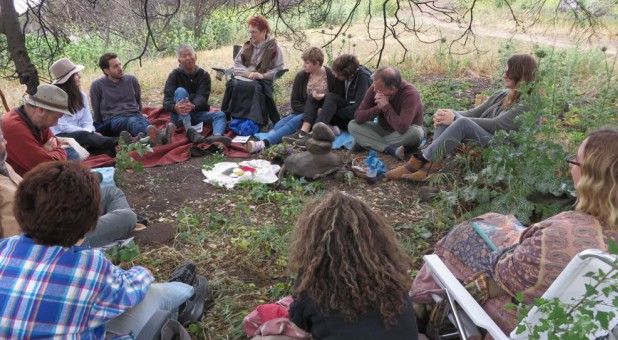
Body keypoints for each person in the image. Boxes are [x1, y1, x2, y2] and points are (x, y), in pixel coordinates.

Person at [411, 128, 618, 335]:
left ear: (593, 176)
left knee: (464, 235)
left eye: (575, 161)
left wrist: (516, 238)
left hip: (522, 323)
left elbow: (501, 272)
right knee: (496, 221)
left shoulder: (564, 235)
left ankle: (417, 310)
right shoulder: (596, 237)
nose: (570, 167)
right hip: (578, 328)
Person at [0, 161, 207, 338]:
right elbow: (131, 290)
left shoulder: (5, 248)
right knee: (153, 294)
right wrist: (143, 273)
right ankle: (185, 295)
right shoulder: (88, 265)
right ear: (90, 224)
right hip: (114, 302)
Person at [1, 85, 138, 247]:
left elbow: (60, 153)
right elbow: (44, 164)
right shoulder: (12, 127)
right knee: (127, 218)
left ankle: (104, 225)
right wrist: (47, 154)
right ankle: (94, 233)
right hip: (50, 230)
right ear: (41, 111)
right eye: (57, 117)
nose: (57, 123)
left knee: (111, 192)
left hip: (49, 203)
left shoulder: (32, 126)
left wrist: (47, 154)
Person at [288, 191, 419, 339]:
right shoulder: (394, 280)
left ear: (315, 240)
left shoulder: (313, 288)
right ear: (375, 235)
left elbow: (298, 324)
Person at [387, 54, 538, 181]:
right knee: (449, 114)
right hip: (486, 137)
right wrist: (449, 113)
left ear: (521, 74)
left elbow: (495, 125)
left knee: (461, 122)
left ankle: (419, 160)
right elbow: (473, 113)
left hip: (504, 149)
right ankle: (432, 166)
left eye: (508, 72)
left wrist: (455, 118)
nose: (503, 75)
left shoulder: (528, 103)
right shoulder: (503, 94)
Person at [247, 47, 342, 153]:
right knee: (278, 126)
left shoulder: (331, 77)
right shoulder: (301, 76)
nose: (303, 66)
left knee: (292, 124)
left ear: (317, 63)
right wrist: (311, 110)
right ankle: (327, 130)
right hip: (304, 112)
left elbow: (335, 100)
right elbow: (295, 103)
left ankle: (263, 143)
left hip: (322, 114)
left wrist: (318, 110)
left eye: (307, 63)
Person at [283, 54, 372, 147]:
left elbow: (358, 109)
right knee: (315, 96)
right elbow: (338, 99)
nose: (336, 76)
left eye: (338, 74)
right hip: (344, 110)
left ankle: (314, 134)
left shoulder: (363, 78)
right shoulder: (347, 75)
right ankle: (303, 132)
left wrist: (331, 112)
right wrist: (324, 104)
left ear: (348, 73)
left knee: (331, 97)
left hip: (354, 118)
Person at [90, 52, 174, 145]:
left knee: (139, 120)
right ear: (106, 71)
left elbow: (138, 101)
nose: (120, 68)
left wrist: (140, 113)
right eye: (115, 66)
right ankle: (161, 137)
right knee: (133, 121)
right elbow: (96, 110)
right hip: (114, 119)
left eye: (120, 64)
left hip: (135, 115)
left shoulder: (131, 79)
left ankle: (151, 139)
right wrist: (100, 129)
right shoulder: (97, 85)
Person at [50, 57, 123, 157]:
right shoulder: (55, 99)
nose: (79, 76)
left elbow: (87, 121)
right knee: (86, 136)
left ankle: (119, 150)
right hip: (62, 135)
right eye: (76, 74)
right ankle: (120, 142)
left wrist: (90, 132)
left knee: (103, 144)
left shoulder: (82, 96)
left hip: (84, 134)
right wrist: (88, 133)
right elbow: (63, 126)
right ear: (69, 79)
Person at [221, 15, 285, 129]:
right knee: (231, 84)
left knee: (254, 87)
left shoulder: (274, 47)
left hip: (262, 80)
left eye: (254, 32)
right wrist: (247, 73)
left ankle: (255, 122)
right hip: (246, 77)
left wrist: (262, 75)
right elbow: (237, 64)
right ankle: (228, 118)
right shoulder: (248, 45)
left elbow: (279, 69)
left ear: (263, 31)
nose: (251, 35)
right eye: (249, 32)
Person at [348, 66, 425, 160]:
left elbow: (402, 127)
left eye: (379, 90)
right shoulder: (375, 88)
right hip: (383, 130)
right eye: (374, 87)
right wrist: (378, 108)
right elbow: (358, 116)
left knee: (417, 133)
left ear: (392, 89)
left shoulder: (410, 94)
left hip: (404, 134)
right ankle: (390, 149)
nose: (375, 91)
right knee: (353, 125)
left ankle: (367, 143)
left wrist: (386, 106)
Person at [163, 44, 230, 145]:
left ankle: (217, 136)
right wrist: (175, 107)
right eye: (184, 56)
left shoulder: (204, 75)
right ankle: (190, 131)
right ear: (179, 61)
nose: (188, 58)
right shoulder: (174, 75)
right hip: (178, 117)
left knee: (220, 114)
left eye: (190, 55)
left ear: (196, 56)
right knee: (181, 91)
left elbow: (202, 97)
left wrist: (193, 106)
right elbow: (167, 101)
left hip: (196, 113)